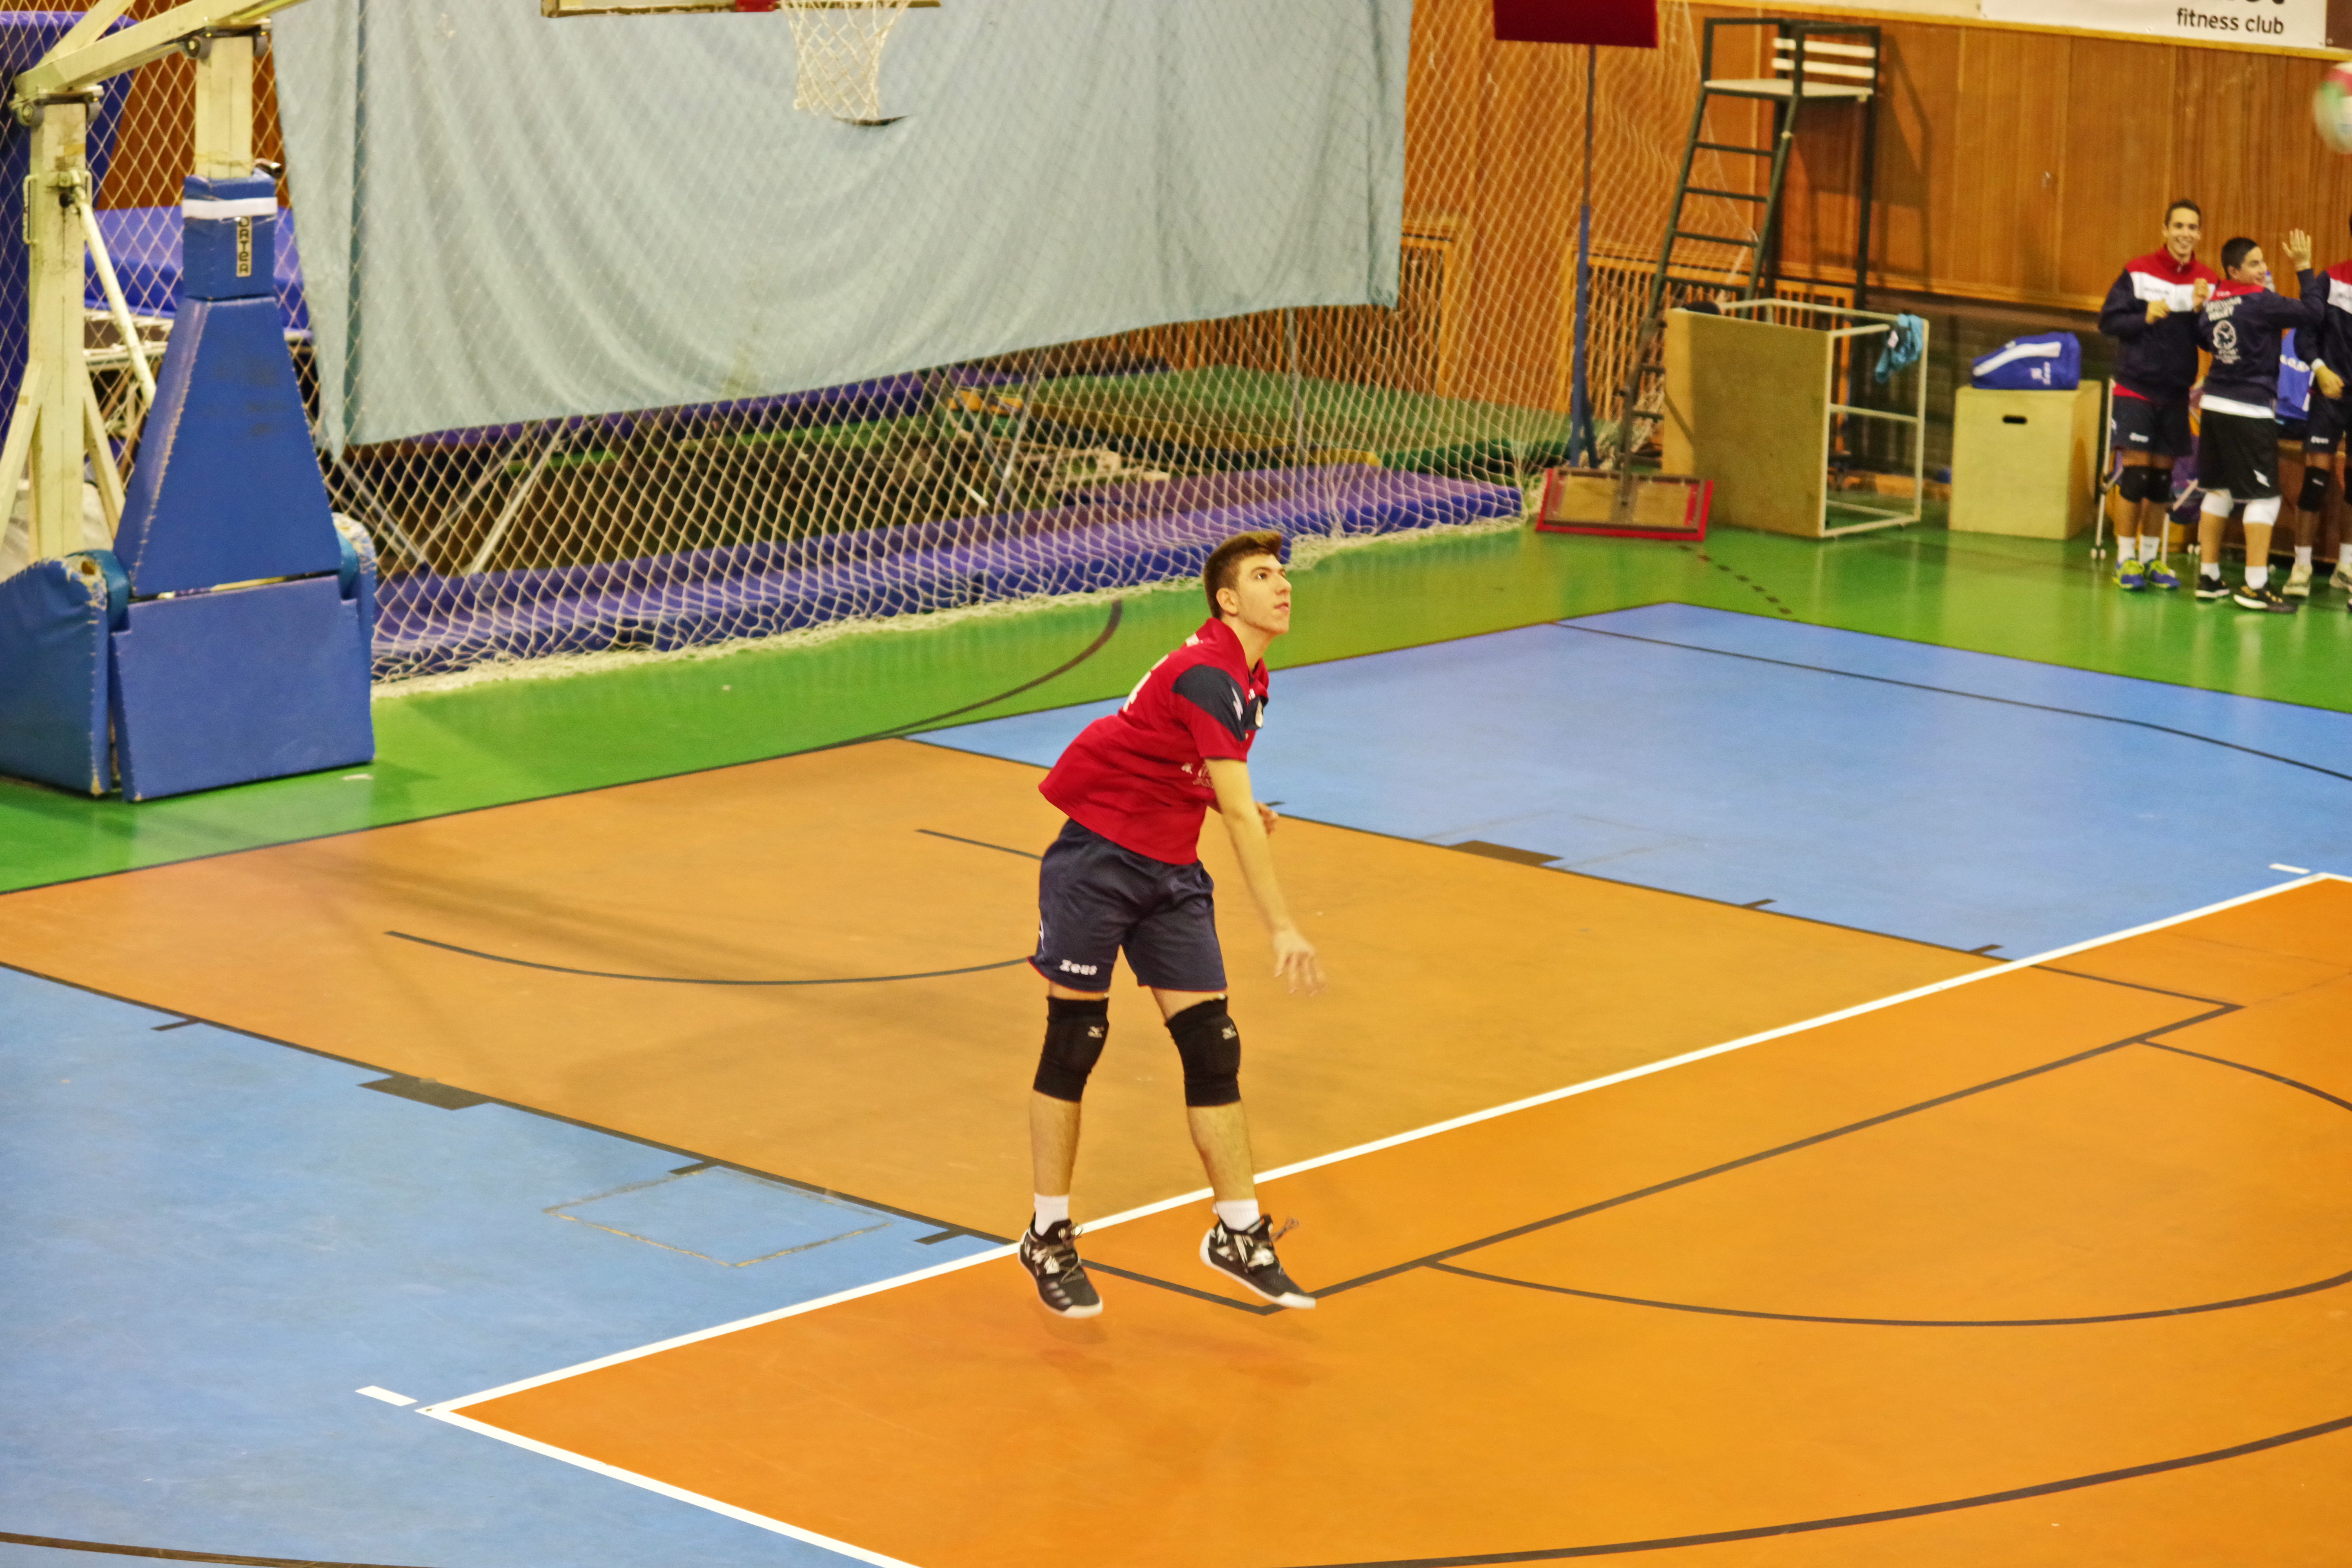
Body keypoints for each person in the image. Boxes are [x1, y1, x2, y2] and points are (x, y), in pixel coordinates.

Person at [1016, 529, 1325, 1318]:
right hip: (1098, 860)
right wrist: (1282, 926)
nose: (1283, 586)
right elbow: (1235, 814)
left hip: (1170, 867)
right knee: (1074, 1040)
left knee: (1213, 1044)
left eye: (1283, 575)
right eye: (1264, 576)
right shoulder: (1209, 674)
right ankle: (1047, 1236)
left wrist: (1220, 796)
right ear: (1228, 600)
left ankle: (1238, 1232)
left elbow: (1178, 755)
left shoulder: (1251, 675)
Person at [2192, 232, 2327, 612]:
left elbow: (2203, 338)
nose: (2263, 269)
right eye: (2254, 264)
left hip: (2214, 406)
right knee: (2265, 498)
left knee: (2219, 491)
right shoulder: (2261, 301)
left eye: (2263, 261)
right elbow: (2313, 313)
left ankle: (2209, 578)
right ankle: (2255, 586)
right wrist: (2304, 267)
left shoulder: (2215, 300)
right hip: (2249, 410)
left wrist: (2202, 307)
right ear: (2233, 270)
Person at [2098, 200, 2218, 590]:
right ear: (2165, 230)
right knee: (2135, 476)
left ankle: (2151, 559)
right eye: (2179, 226)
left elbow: (2210, 340)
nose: (2186, 233)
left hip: (2176, 392)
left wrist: (2201, 310)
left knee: (2162, 482)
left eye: (2193, 227)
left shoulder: (2207, 280)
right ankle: (2125, 559)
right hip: (2136, 387)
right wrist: (2144, 317)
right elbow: (2109, 321)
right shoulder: (2138, 271)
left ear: (2200, 234)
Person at [2297, 214, 2352, 598]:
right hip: (2329, 397)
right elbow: (2305, 336)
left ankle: (2346, 567)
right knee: (2315, 483)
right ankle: (2301, 566)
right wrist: (2320, 369)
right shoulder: (2330, 280)